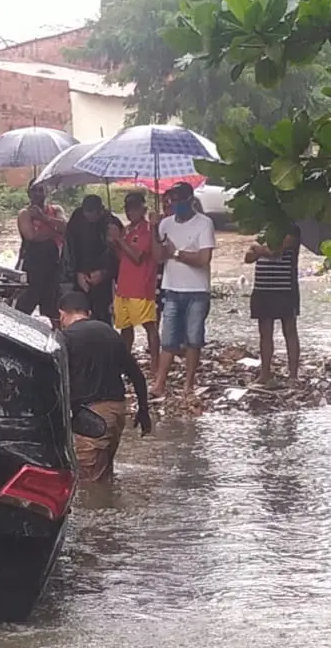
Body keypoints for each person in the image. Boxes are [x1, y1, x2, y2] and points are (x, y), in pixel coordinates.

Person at [57, 291, 151, 483]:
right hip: (117, 411)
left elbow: (58, 379)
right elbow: (136, 374)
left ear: (62, 314)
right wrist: (143, 410)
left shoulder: (65, 338)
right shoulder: (110, 332)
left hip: (92, 417)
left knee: (88, 482)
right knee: (104, 474)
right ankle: (111, 499)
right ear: (88, 313)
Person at [151, 182, 216, 399]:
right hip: (171, 288)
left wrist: (177, 253)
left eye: (179, 200)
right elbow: (158, 257)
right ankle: (160, 382)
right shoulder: (166, 224)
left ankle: (188, 384)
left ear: (190, 200)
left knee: (193, 339)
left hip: (197, 290)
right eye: (173, 200)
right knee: (168, 340)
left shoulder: (204, 223)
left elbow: (204, 259)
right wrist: (154, 229)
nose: (175, 204)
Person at [247, 222, 303, 386]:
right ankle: (265, 373)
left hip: (285, 288)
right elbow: (248, 257)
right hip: (262, 287)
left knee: (289, 330)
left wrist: (258, 249)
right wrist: (259, 249)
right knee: (265, 333)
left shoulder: (291, 229)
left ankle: (293, 375)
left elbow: (275, 251)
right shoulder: (263, 230)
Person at [61, 194, 122, 324]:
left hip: (103, 276)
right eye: (87, 214)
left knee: (103, 314)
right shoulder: (77, 219)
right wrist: (77, 272)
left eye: (93, 215)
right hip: (80, 273)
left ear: (101, 210)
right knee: (79, 312)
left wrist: (105, 273)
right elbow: (70, 248)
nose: (90, 218)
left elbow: (118, 256)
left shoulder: (112, 223)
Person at [113, 192, 160, 358]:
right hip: (123, 286)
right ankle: (125, 361)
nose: (130, 212)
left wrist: (119, 240)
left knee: (149, 326)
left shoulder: (147, 230)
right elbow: (121, 257)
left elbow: (137, 257)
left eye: (134, 208)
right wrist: (115, 242)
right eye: (127, 208)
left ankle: (155, 363)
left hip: (141, 286)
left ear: (143, 209)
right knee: (125, 328)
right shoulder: (126, 230)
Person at [14, 182, 67, 321]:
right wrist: (55, 231)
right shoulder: (25, 214)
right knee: (24, 306)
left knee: (52, 307)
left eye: (40, 190)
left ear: (46, 192)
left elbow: (66, 227)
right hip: (31, 266)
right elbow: (32, 236)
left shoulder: (56, 210)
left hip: (53, 265)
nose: (37, 193)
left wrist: (43, 218)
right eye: (34, 190)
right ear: (29, 193)